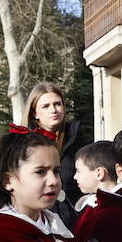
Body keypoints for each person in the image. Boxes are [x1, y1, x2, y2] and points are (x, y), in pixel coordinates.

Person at [26, 81, 87, 218]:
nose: (53, 110)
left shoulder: (78, 139)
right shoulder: (24, 144)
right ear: (35, 113)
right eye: (46, 106)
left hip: (74, 219)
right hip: (37, 219)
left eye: (57, 104)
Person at [72, 140, 118, 211]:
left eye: (78, 171)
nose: (75, 177)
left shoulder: (113, 208)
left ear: (99, 174)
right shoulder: (92, 203)